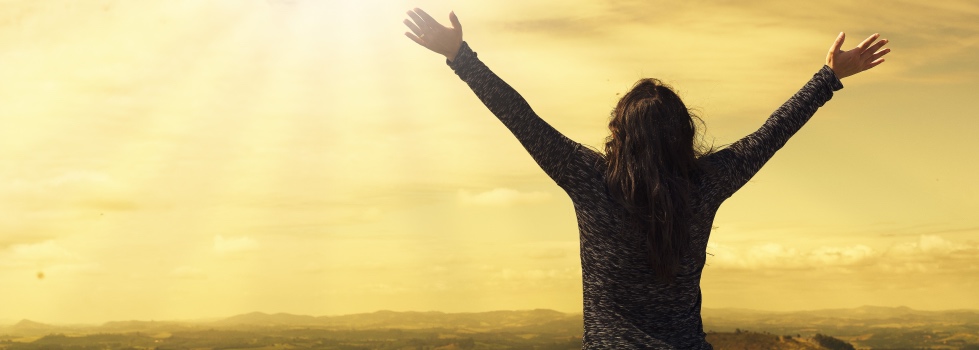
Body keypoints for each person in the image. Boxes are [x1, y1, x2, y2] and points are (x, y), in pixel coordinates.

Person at [403, 8, 889, 350]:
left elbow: (521, 119)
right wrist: (827, 77)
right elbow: (771, 133)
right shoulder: (708, 182)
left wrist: (460, 56)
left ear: (619, 131)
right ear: (684, 133)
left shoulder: (590, 179)